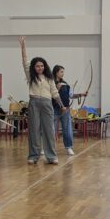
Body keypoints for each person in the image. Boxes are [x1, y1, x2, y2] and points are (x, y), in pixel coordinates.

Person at [19, 36, 66, 164]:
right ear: (34, 68)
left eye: (42, 66)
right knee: (34, 130)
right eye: (37, 66)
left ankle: (51, 156)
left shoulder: (49, 78)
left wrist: (61, 105)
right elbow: (25, 61)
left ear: (44, 67)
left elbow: (54, 93)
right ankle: (33, 156)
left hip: (46, 104)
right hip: (34, 103)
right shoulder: (30, 76)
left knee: (49, 130)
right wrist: (23, 46)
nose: (40, 68)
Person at [52, 65, 88, 156]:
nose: (63, 74)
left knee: (67, 129)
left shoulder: (65, 84)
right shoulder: (51, 83)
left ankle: (69, 147)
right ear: (56, 72)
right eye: (61, 72)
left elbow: (71, 96)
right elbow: (49, 96)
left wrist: (81, 94)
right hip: (54, 109)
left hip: (66, 110)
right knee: (52, 130)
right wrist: (57, 88)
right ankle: (50, 148)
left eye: (63, 72)